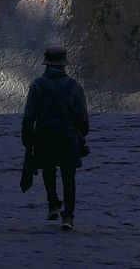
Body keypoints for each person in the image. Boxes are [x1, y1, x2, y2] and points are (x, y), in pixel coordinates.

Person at [21, 46, 89, 230]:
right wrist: (82, 132)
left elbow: (29, 115)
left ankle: (53, 203)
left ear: (46, 63)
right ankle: (68, 216)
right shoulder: (74, 86)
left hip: (44, 135)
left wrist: (27, 139)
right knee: (69, 176)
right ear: (64, 64)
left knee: (48, 171)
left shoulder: (37, 85)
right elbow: (83, 116)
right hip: (68, 135)